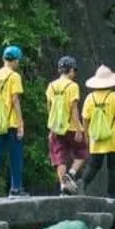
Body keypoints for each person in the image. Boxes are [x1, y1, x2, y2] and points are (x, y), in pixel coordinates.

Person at [0, 45, 27, 197]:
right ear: (15, 61)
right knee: (16, 155)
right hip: (12, 122)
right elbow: (15, 100)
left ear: (3, 59)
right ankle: (15, 188)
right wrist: (20, 123)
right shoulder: (14, 77)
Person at [81, 65, 115, 198]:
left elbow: (85, 118)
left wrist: (86, 134)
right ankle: (111, 194)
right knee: (113, 166)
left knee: (94, 165)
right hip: (113, 137)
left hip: (96, 137)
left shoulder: (90, 98)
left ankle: (83, 183)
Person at [44, 55, 86, 193]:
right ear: (71, 70)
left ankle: (63, 186)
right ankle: (71, 174)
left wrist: (51, 128)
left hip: (56, 127)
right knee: (82, 152)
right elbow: (74, 108)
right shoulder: (72, 86)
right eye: (74, 70)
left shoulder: (51, 86)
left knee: (60, 157)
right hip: (71, 126)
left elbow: (49, 107)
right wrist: (79, 128)